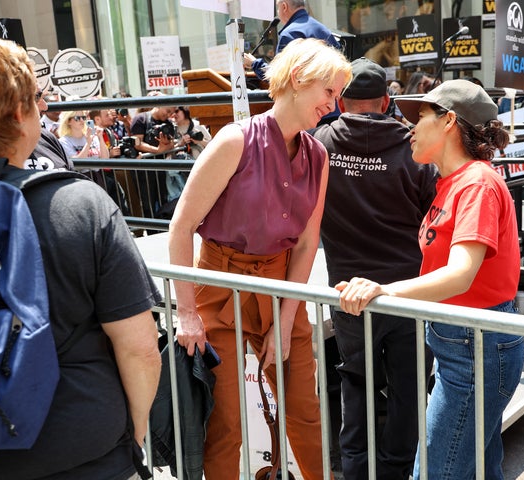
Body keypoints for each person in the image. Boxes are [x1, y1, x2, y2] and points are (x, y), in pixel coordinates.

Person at [168, 38, 351, 480]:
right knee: (225, 422)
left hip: (280, 285)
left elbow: (307, 244)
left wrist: (286, 322)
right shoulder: (235, 141)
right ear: (298, 78)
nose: (333, 104)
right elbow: (180, 226)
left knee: (305, 412)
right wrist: (187, 312)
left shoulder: (318, 155)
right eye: (328, 91)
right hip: (218, 284)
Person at [0, 34, 161, 480]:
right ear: (20, 114)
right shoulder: (80, 205)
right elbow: (140, 348)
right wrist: (133, 436)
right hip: (84, 449)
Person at [336, 79, 524, 479]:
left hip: (475, 348)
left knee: (435, 472)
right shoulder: (453, 183)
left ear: (449, 121)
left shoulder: (476, 183)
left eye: (420, 117)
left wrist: (384, 289)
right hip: (463, 345)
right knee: (475, 469)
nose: (410, 128)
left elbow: (460, 274)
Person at [311, 57, 438, 480]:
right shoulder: (415, 146)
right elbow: (432, 219)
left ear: (341, 102)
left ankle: (356, 470)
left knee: (355, 382)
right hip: (406, 292)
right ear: (387, 100)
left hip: (347, 292)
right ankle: (397, 471)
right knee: (409, 385)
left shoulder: (320, 143)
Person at [243, 0, 340, 80]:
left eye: (278, 7)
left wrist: (254, 63)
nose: (278, 12)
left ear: (284, 7)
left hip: (304, 100)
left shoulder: (289, 34)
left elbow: (279, 78)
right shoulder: (323, 29)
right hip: (329, 99)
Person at [130, 99, 176, 218]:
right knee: (147, 203)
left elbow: (172, 144)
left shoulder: (169, 124)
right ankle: (151, 232)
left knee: (164, 200)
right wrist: (157, 150)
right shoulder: (141, 119)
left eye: (172, 113)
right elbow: (137, 143)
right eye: (168, 111)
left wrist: (166, 145)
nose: (169, 115)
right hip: (144, 170)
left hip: (162, 169)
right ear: (159, 105)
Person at [58, 109, 109, 188]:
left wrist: (100, 137)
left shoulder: (91, 136)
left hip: (98, 177)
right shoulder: (64, 141)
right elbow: (77, 165)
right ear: (68, 121)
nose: (82, 120)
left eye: (83, 117)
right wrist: (88, 143)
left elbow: (105, 158)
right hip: (80, 179)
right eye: (77, 118)